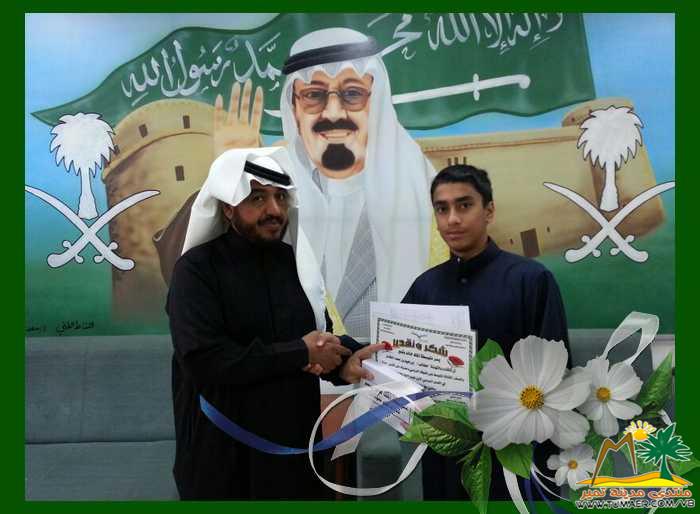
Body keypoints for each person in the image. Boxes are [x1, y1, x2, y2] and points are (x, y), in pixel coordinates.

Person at [167, 146, 383, 500]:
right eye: (257, 198)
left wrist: (344, 361)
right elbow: (206, 359)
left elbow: (318, 338)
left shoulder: (293, 264)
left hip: (294, 450)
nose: (274, 210)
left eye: (281, 197)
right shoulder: (195, 271)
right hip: (223, 456)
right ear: (228, 207)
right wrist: (300, 353)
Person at [401, 164, 569, 500]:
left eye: (464, 205)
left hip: (518, 457)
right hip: (446, 455)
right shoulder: (425, 287)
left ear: (489, 210)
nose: (452, 219)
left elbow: (557, 376)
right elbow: (401, 363)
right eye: (442, 209)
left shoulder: (531, 280)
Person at [279, 28, 436, 340]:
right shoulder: (278, 202)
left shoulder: (423, 190)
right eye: (313, 95)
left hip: (399, 362)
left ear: (375, 102)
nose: (333, 112)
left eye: (352, 94)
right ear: (294, 110)